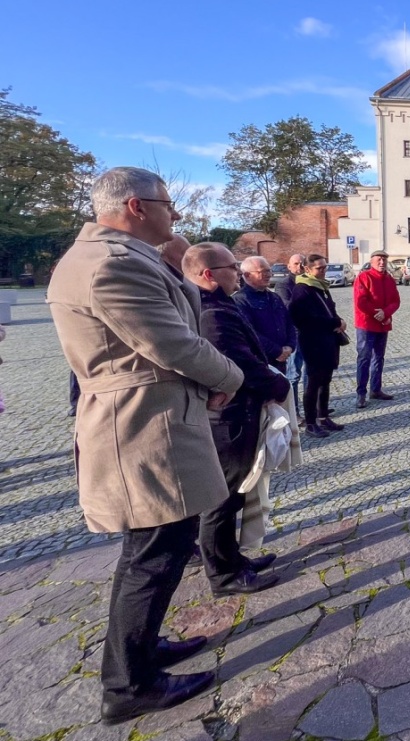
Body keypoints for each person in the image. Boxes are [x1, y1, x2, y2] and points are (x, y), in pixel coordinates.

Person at [46, 167, 244, 724]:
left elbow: (175, 307)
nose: (174, 214)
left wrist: (173, 246)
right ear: (136, 205)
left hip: (148, 417)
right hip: (140, 425)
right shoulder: (111, 264)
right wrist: (232, 378)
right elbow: (172, 341)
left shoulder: (120, 255)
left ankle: (141, 652)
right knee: (153, 553)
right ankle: (129, 683)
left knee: (159, 546)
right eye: (167, 204)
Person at [182, 243, 287, 597]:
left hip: (238, 411)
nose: (238, 272)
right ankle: (223, 574)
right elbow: (238, 361)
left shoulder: (220, 302)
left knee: (235, 493)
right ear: (209, 274)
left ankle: (233, 559)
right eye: (233, 266)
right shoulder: (210, 312)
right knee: (222, 499)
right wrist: (277, 382)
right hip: (228, 417)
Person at [289, 255, 346, 437]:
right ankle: (311, 423)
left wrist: (339, 321)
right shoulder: (302, 289)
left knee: (326, 381)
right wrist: (334, 322)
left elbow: (330, 309)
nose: (323, 271)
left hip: (328, 340)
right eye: (319, 268)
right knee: (313, 382)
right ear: (307, 270)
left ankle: (323, 417)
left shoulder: (321, 286)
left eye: (324, 267)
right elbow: (302, 318)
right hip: (313, 342)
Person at [352, 249, 400, 408]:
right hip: (366, 324)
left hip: (383, 324)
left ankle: (376, 389)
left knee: (379, 357)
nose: (382, 262)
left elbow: (395, 301)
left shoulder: (389, 279)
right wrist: (376, 313)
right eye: (379, 259)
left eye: (384, 260)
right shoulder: (364, 277)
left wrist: (385, 313)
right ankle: (361, 393)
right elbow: (361, 301)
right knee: (364, 358)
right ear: (372, 262)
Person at [234, 256, 296, 375]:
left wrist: (290, 346)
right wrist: (277, 351)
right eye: (263, 272)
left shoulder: (274, 297)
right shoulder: (240, 300)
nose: (268, 275)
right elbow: (250, 332)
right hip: (260, 361)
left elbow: (288, 322)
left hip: (281, 360)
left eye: (269, 270)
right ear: (247, 275)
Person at [276, 253, 306, 398]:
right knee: (293, 374)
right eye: (296, 263)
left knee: (310, 372)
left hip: (310, 333)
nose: (299, 266)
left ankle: (311, 407)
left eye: (302, 263)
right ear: (289, 266)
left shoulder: (308, 282)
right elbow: (287, 307)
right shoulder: (284, 284)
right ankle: (295, 411)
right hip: (295, 332)